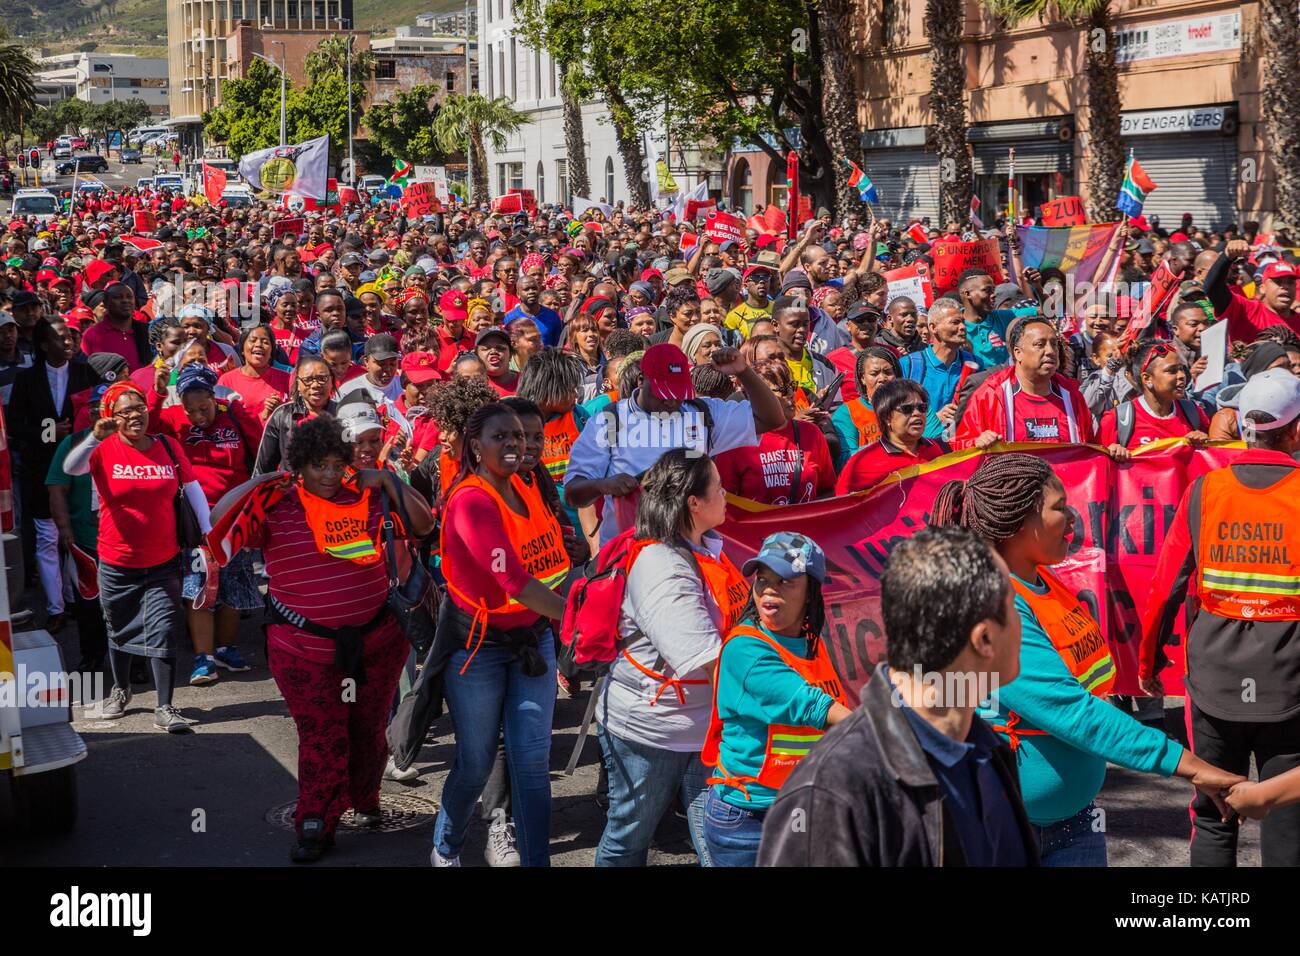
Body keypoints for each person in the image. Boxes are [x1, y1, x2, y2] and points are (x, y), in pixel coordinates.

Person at [933, 453, 1242, 865]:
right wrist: (1191, 767)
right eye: (1059, 507)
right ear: (1019, 523)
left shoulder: (1042, 583)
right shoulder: (989, 605)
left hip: (1074, 823)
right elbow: (1073, 711)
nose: (1073, 516)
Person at [758, 526, 1038, 866]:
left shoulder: (988, 751)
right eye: (1015, 607)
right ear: (985, 639)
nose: (1026, 622)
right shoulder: (832, 792)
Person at [249, 415, 434, 862]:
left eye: (337, 463)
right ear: (299, 466)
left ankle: (366, 798)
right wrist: (266, 483)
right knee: (322, 734)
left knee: (368, 729)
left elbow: (424, 526)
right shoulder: (275, 506)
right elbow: (219, 520)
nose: (330, 474)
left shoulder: (368, 498)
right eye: (318, 465)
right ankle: (316, 822)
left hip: (378, 641)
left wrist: (389, 479)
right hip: (302, 648)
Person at [1139, 368, 1300, 866]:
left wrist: (1147, 667)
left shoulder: (1205, 491)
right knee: (1287, 821)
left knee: (1212, 817)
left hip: (1213, 683)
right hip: (1289, 686)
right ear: (1294, 431)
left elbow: (1164, 589)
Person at [432, 403, 570, 867]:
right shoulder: (471, 500)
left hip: (533, 642)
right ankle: (446, 848)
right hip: (477, 650)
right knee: (475, 763)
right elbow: (511, 578)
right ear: (476, 445)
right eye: (501, 437)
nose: (514, 444)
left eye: (519, 436)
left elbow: (548, 563)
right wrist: (582, 620)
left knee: (531, 766)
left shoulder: (529, 487)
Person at [595, 449, 748, 867]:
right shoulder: (662, 567)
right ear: (693, 503)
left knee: (721, 847)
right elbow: (708, 659)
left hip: (707, 729)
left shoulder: (709, 547)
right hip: (652, 733)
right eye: (718, 487)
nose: (726, 493)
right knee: (629, 838)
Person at [62, 381, 213, 734]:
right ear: (111, 417)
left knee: (162, 630)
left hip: (163, 560)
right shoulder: (101, 449)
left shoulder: (168, 446)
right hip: (117, 562)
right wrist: (95, 437)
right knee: (118, 629)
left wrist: (210, 537)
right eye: (126, 410)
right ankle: (121, 690)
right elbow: (72, 468)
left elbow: (192, 490)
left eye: (140, 407)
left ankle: (165, 706)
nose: (135, 415)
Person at [700, 532, 850, 866]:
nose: (770, 589)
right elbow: (810, 705)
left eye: (785, 581)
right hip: (747, 819)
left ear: (811, 589)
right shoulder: (745, 649)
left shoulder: (812, 644)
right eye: (763, 579)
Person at [564, 341, 784, 547]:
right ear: (641, 380)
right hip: (629, 555)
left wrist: (743, 371)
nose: (671, 401)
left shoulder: (701, 412)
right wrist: (603, 485)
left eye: (678, 394)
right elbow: (573, 494)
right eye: (663, 394)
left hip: (691, 551)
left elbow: (771, 419)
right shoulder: (609, 421)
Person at [154, 364, 259, 687]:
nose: (198, 415)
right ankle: (204, 657)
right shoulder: (173, 419)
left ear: (215, 397)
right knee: (200, 587)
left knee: (233, 587)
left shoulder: (236, 417)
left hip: (235, 519)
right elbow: (147, 423)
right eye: (191, 410)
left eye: (204, 407)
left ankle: (226, 648)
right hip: (195, 521)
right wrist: (157, 393)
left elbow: (260, 453)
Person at [7, 318, 100, 632]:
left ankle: (79, 598)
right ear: (45, 344)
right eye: (61, 339)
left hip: (82, 472)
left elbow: (104, 410)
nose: (69, 343)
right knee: (47, 541)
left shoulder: (86, 373)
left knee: (76, 539)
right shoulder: (27, 379)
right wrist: (49, 432)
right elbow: (15, 425)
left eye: (72, 338)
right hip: (40, 471)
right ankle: (56, 608)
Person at [955, 317, 1096, 449]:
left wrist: (1111, 452)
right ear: (1018, 353)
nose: (1050, 351)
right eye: (1040, 344)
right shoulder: (991, 395)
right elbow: (959, 447)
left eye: (1053, 344)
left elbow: (1090, 450)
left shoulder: (1072, 396)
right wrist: (976, 443)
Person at [714, 359, 835, 505]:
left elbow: (828, 490)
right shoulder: (735, 441)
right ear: (756, 397)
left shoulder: (811, 434)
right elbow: (724, 502)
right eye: (782, 390)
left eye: (792, 386)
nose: (790, 394)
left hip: (802, 527)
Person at [837, 379, 950, 495]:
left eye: (922, 408)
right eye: (907, 409)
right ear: (886, 417)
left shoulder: (934, 449)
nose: (917, 413)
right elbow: (843, 507)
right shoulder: (861, 464)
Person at [1096, 339, 1210, 454]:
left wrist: (1204, 442)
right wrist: (1112, 454)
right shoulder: (1117, 419)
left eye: (1181, 368)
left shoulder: (1194, 413)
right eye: (1172, 371)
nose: (1181, 376)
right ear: (1147, 379)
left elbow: (1214, 460)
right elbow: (1097, 463)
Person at [899, 299, 983, 439]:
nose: (963, 327)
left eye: (962, 321)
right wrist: (934, 418)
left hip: (963, 447)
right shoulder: (909, 365)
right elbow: (897, 415)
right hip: (924, 449)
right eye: (955, 322)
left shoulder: (975, 363)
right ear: (933, 328)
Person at [254, 354, 337, 475]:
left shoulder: (344, 413)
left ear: (332, 380)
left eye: (322, 378)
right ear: (298, 383)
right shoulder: (282, 415)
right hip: (292, 491)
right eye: (308, 380)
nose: (315, 385)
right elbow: (262, 471)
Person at [829, 346, 900, 468]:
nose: (882, 378)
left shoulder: (913, 406)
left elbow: (933, 442)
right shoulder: (846, 413)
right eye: (874, 373)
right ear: (862, 378)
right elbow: (843, 462)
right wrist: (887, 445)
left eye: (888, 373)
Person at [218, 324, 290, 441]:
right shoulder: (226, 381)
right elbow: (222, 422)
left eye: (265, 342)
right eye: (253, 340)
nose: (258, 345)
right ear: (242, 349)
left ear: (272, 350)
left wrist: (281, 410)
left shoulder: (287, 379)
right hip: (243, 452)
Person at [475, 326, 519, 396]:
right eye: (486, 348)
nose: (493, 351)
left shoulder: (527, 381)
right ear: (477, 355)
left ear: (510, 355)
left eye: (500, 348)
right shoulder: (473, 387)